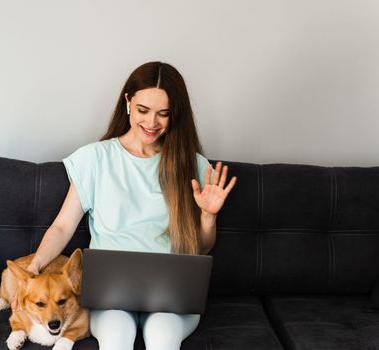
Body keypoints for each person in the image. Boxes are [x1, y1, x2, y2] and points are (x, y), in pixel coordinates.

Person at [16, 61, 237, 350]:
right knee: (116, 337)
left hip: (172, 297)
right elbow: (62, 226)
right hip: (110, 295)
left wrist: (208, 216)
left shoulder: (191, 165)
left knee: (162, 336)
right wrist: (34, 267)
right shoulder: (95, 158)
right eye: (144, 110)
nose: (151, 123)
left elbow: (203, 247)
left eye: (164, 114)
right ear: (128, 102)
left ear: (175, 115)